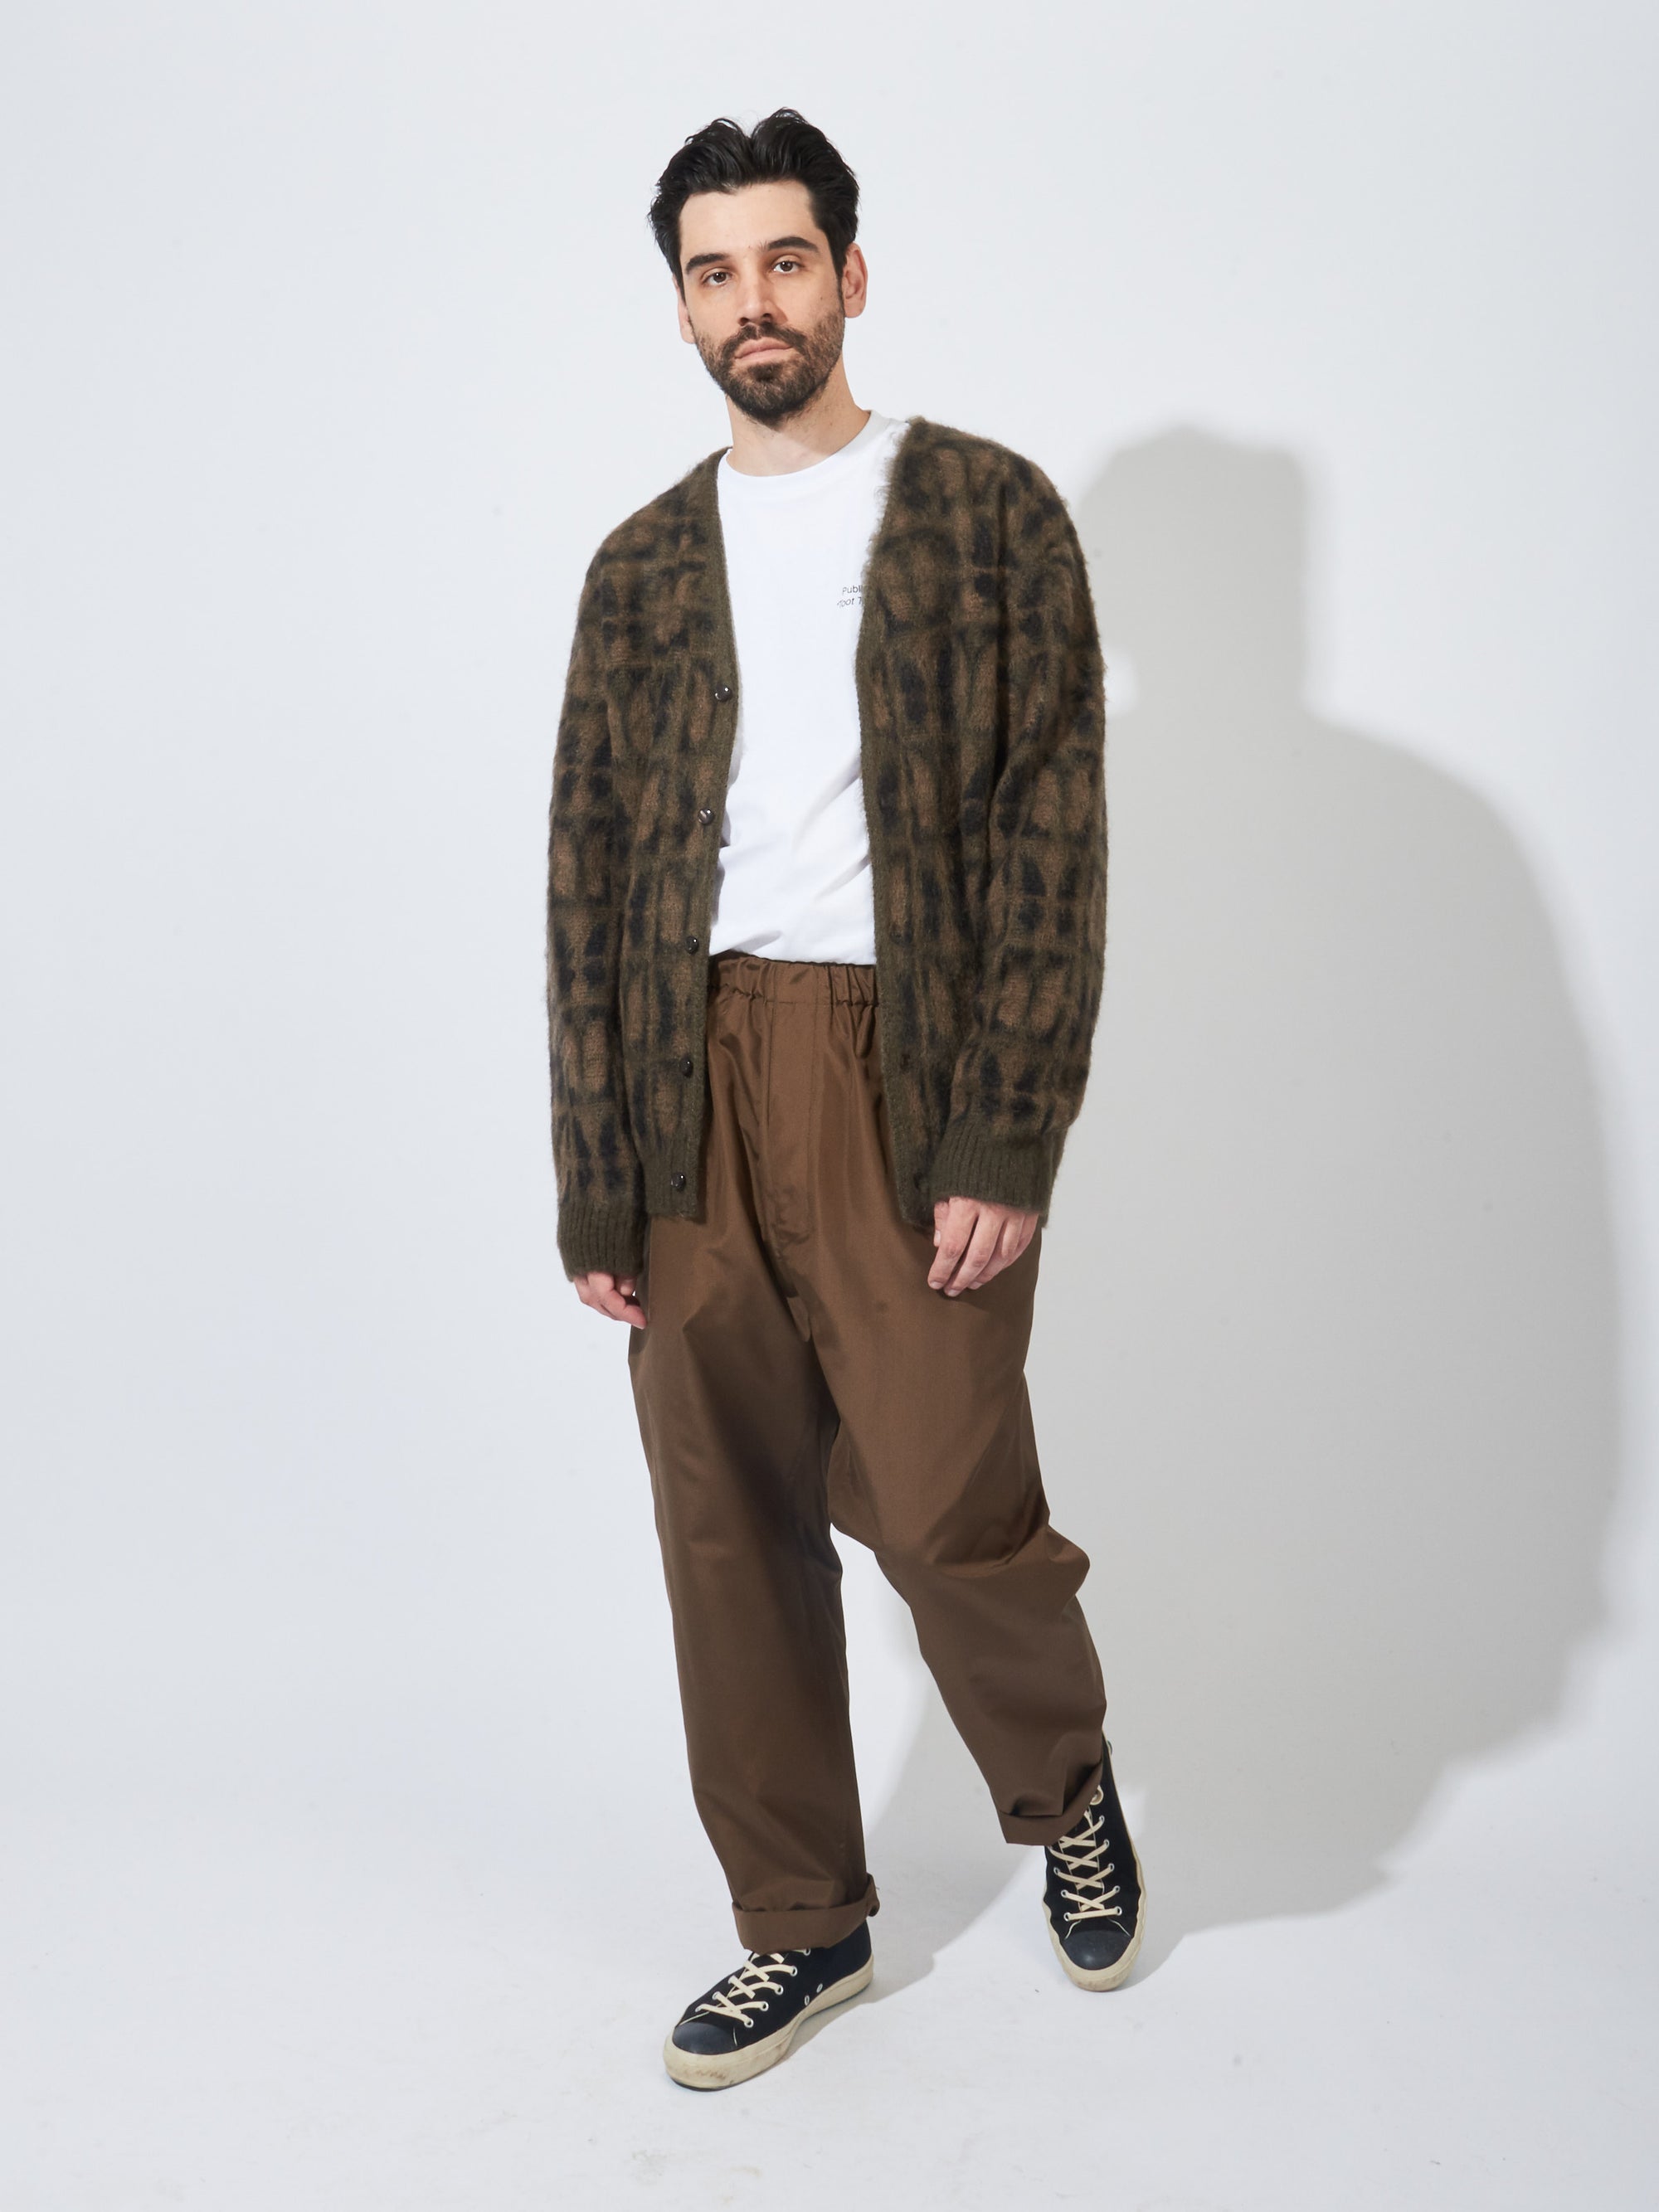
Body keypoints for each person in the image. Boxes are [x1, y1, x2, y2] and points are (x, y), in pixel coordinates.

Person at [546, 108, 1142, 2092]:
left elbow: (1052, 837)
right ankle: (800, 1924)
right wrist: (599, 1177)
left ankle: (1062, 1777)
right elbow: (586, 875)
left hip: (904, 1057)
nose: (754, 303)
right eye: (714, 273)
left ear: (850, 276)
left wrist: (1003, 1134)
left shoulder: (986, 512)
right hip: (684, 1070)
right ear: (683, 308)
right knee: (724, 1519)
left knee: (947, 1497)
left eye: (784, 261)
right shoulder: (639, 567)